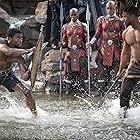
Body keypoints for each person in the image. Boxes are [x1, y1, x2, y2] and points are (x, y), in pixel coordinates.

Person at [86, 0, 124, 90]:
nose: (109, 10)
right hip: (103, 50)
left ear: (115, 8)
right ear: (105, 9)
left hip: (116, 50)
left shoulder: (120, 21)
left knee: (114, 71)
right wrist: (90, 43)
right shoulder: (102, 20)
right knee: (102, 72)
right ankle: (101, 91)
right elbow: (97, 34)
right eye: (108, 8)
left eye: (111, 8)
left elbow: (123, 36)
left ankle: (114, 92)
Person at [0, 28, 37, 116]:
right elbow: (8, 52)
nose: (20, 40)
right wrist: (28, 50)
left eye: (21, 38)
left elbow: (23, 77)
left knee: (27, 92)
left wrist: (30, 70)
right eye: (18, 38)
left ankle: (35, 115)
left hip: (6, 75)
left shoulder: (20, 56)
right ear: (9, 38)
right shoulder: (1, 42)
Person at [117, 6, 140, 117]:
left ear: (132, 16)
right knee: (124, 91)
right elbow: (125, 53)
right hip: (134, 65)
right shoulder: (126, 32)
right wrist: (120, 70)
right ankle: (123, 115)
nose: (122, 19)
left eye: (125, 17)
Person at [60, 8, 88, 89]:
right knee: (68, 58)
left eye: (75, 14)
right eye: (71, 15)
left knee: (82, 58)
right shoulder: (65, 27)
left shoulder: (83, 26)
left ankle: (84, 83)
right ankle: (68, 83)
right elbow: (65, 40)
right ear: (69, 15)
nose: (73, 16)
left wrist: (88, 44)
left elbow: (86, 39)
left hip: (80, 49)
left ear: (78, 15)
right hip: (70, 50)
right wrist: (62, 44)